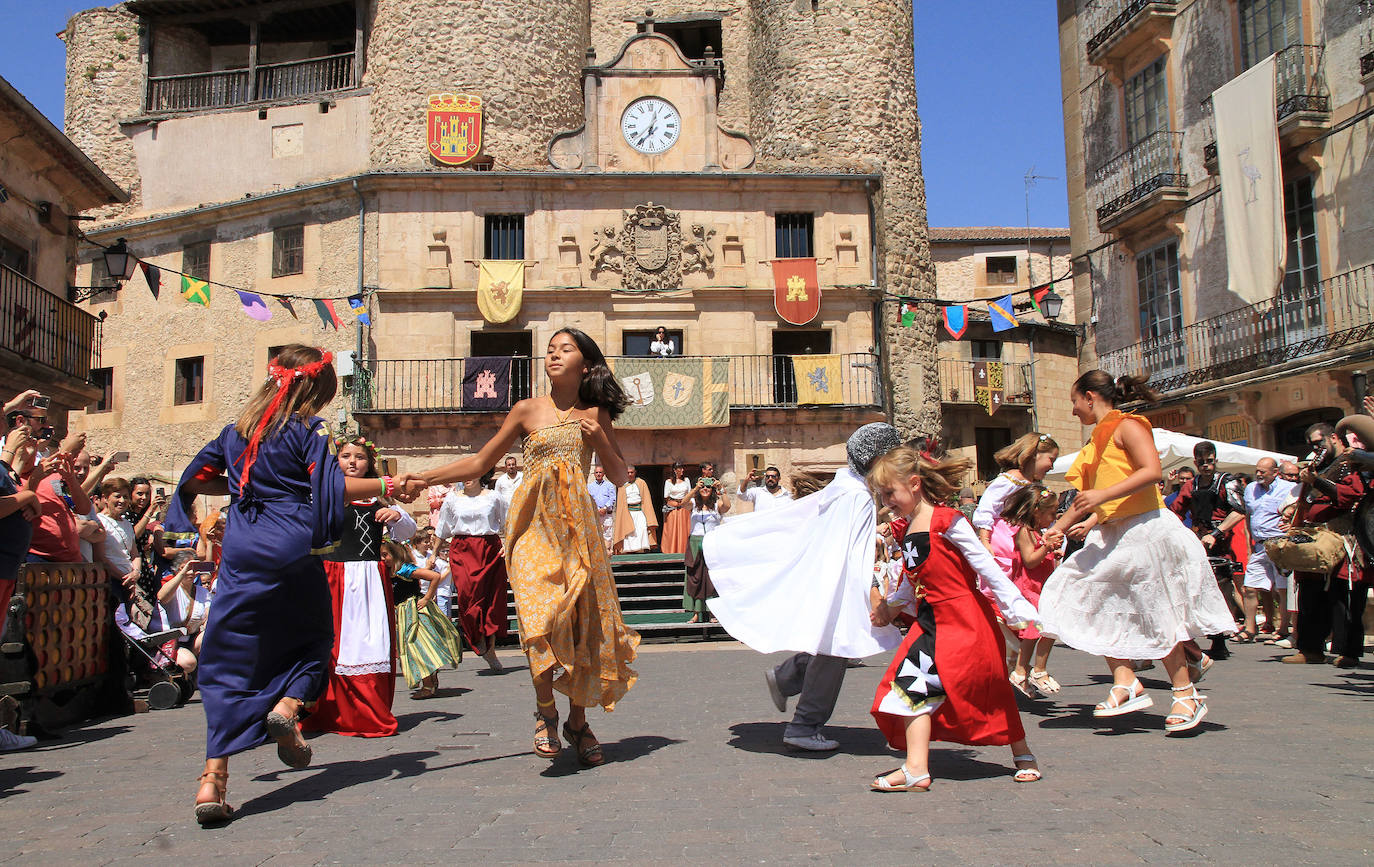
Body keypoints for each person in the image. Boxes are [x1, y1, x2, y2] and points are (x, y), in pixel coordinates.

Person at [165, 345, 412, 824]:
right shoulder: (309, 430)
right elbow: (326, 491)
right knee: (315, 638)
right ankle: (288, 704)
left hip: (241, 546)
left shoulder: (234, 432)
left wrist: (242, 484)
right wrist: (386, 486)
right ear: (312, 389)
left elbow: (194, 480)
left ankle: (212, 779)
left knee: (231, 653)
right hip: (292, 543)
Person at [397, 327, 639, 768]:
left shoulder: (596, 412)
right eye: (549, 349)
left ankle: (578, 721)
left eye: (565, 349)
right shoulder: (526, 410)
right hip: (531, 529)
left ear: (585, 363)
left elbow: (620, 475)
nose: (553, 354)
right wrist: (424, 477)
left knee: (583, 624)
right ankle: (547, 712)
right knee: (539, 619)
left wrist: (599, 436)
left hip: (577, 531)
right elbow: (479, 461)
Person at [1039, 371, 1233, 734]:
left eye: (1074, 401)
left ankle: (1185, 693)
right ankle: (1126, 681)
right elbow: (1090, 497)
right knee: (1087, 597)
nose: (1072, 410)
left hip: (1146, 530)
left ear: (1091, 396)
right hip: (1113, 534)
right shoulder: (1096, 440)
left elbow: (1151, 472)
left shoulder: (1127, 426)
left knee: (1156, 611)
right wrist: (1060, 528)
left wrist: (1100, 501)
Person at [705, 424, 906, 752]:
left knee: (833, 647)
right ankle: (804, 725)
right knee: (835, 650)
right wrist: (872, 592)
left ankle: (788, 677)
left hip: (830, 580)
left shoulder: (844, 486)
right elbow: (856, 552)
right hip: (840, 585)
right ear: (878, 459)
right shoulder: (857, 497)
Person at [866, 446, 1041, 791]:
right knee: (908, 685)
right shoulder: (904, 528)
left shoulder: (949, 521)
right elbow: (910, 576)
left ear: (914, 484)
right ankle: (916, 768)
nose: (886, 501)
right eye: (882, 495)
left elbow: (985, 566)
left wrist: (1019, 610)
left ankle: (1023, 753)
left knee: (988, 688)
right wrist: (891, 608)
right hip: (930, 622)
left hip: (964, 620)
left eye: (890, 493)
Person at [302, 436, 417, 739]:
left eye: (360, 457)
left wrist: (397, 515)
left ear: (369, 464)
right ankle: (323, 710)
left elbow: (407, 531)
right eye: (345, 456)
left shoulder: (376, 499)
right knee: (329, 644)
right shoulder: (319, 495)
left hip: (366, 580)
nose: (352, 462)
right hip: (328, 576)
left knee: (366, 643)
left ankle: (366, 713)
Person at [1281, 420, 1369, 667]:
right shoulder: (1319, 464)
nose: (1315, 448)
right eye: (1311, 445)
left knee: (1344, 596)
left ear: (1333, 438)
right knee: (1309, 593)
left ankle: (1348, 651)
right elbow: (1309, 498)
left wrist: (1317, 481)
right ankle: (1311, 649)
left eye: (1319, 443)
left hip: (1343, 536)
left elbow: (1351, 495)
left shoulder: (1350, 462)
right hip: (1316, 537)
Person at [434, 475, 509, 672]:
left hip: (489, 548)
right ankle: (476, 637)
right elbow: (443, 526)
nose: (467, 478)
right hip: (463, 549)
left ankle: (490, 649)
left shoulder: (494, 497)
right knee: (467, 595)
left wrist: (509, 544)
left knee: (491, 599)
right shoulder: (452, 498)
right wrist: (433, 553)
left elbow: (508, 522)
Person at [1001, 484, 1064, 698]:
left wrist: (1050, 552)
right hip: (1028, 589)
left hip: (1041, 588)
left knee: (1045, 629)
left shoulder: (1038, 533)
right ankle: (1025, 671)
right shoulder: (1025, 532)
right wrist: (1046, 547)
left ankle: (1026, 671)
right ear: (1037, 512)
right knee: (1035, 630)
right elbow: (1029, 561)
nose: (1053, 518)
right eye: (1051, 514)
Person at [381, 540, 464, 698]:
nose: (383, 559)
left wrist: (427, 598)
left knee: (417, 648)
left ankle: (428, 686)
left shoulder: (404, 569)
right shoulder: (388, 572)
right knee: (417, 648)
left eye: (386, 555)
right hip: (402, 614)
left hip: (414, 613)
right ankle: (430, 680)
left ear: (396, 554)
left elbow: (434, 576)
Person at [1228, 458, 1297, 641]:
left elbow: (1296, 511)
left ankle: (1282, 629)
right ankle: (1250, 629)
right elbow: (1249, 516)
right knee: (1250, 587)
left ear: (1275, 472)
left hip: (1279, 544)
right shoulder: (1251, 489)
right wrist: (1250, 543)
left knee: (1281, 589)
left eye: (1263, 472)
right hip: (1259, 545)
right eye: (1257, 471)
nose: (1259, 474)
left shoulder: (1287, 488)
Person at [683, 473, 729, 623]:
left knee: (711, 578)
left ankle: (712, 613)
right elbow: (682, 503)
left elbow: (727, 506)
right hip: (695, 543)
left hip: (711, 542)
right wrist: (695, 488)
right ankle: (696, 612)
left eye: (708, 487)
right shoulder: (693, 506)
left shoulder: (716, 506)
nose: (706, 489)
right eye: (704, 486)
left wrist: (721, 488)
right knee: (694, 578)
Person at [613, 465, 658, 554]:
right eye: (628, 473)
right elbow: (621, 502)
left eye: (631, 472)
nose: (630, 474)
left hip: (639, 511)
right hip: (628, 512)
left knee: (641, 529)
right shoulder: (622, 484)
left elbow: (646, 499)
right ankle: (628, 550)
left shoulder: (641, 483)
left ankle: (640, 550)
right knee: (629, 532)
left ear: (635, 472)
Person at [659, 461, 692, 555]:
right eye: (679, 468)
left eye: (682, 468)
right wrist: (674, 503)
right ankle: (671, 550)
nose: (682, 470)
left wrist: (684, 502)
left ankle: (684, 550)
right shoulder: (669, 482)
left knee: (684, 528)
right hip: (673, 507)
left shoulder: (686, 480)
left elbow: (689, 494)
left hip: (684, 506)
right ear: (674, 470)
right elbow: (666, 496)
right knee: (671, 528)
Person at [587, 464, 617, 553]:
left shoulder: (609, 485)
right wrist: (597, 509)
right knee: (595, 532)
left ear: (603, 474)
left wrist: (605, 508)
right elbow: (589, 499)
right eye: (596, 472)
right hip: (595, 513)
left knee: (607, 532)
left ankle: (607, 552)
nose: (598, 474)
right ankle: (597, 553)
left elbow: (612, 498)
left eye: (600, 472)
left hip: (607, 513)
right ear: (594, 474)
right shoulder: (589, 486)